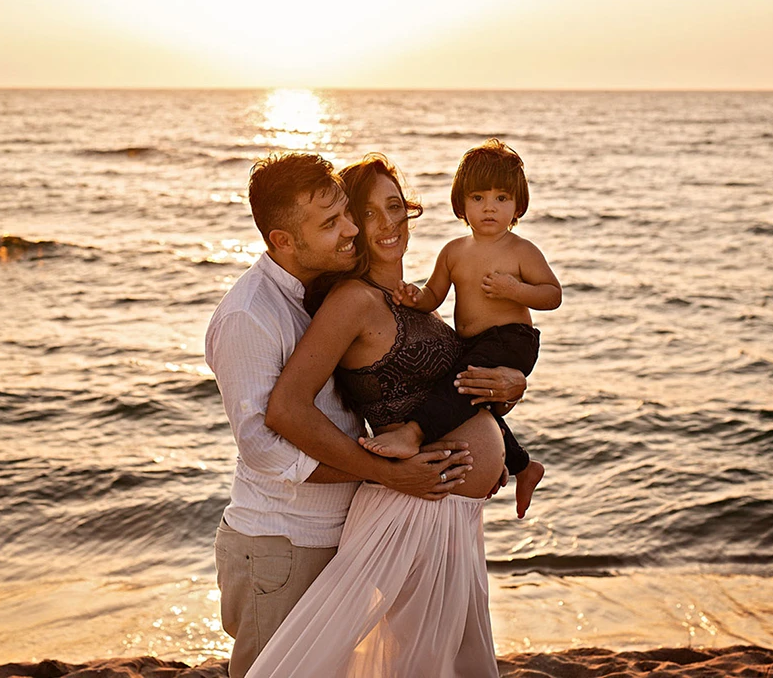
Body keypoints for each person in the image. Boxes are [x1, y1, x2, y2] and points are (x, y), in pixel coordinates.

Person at [205, 153, 520, 678]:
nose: (353, 228)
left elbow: (418, 391)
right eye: (335, 222)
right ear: (283, 239)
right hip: (282, 543)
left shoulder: (338, 294)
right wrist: (391, 473)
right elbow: (264, 445)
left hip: (352, 523)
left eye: (352, 213)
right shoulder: (250, 316)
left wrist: (507, 425)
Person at [364, 138, 561, 519]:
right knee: (472, 403)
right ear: (461, 203)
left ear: (518, 205)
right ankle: (523, 466)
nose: (490, 207)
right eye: (478, 197)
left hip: (511, 340)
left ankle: (414, 433)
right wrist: (412, 297)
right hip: (470, 342)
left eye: (502, 198)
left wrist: (515, 289)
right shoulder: (454, 251)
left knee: (458, 385)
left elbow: (552, 294)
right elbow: (434, 295)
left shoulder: (521, 251)